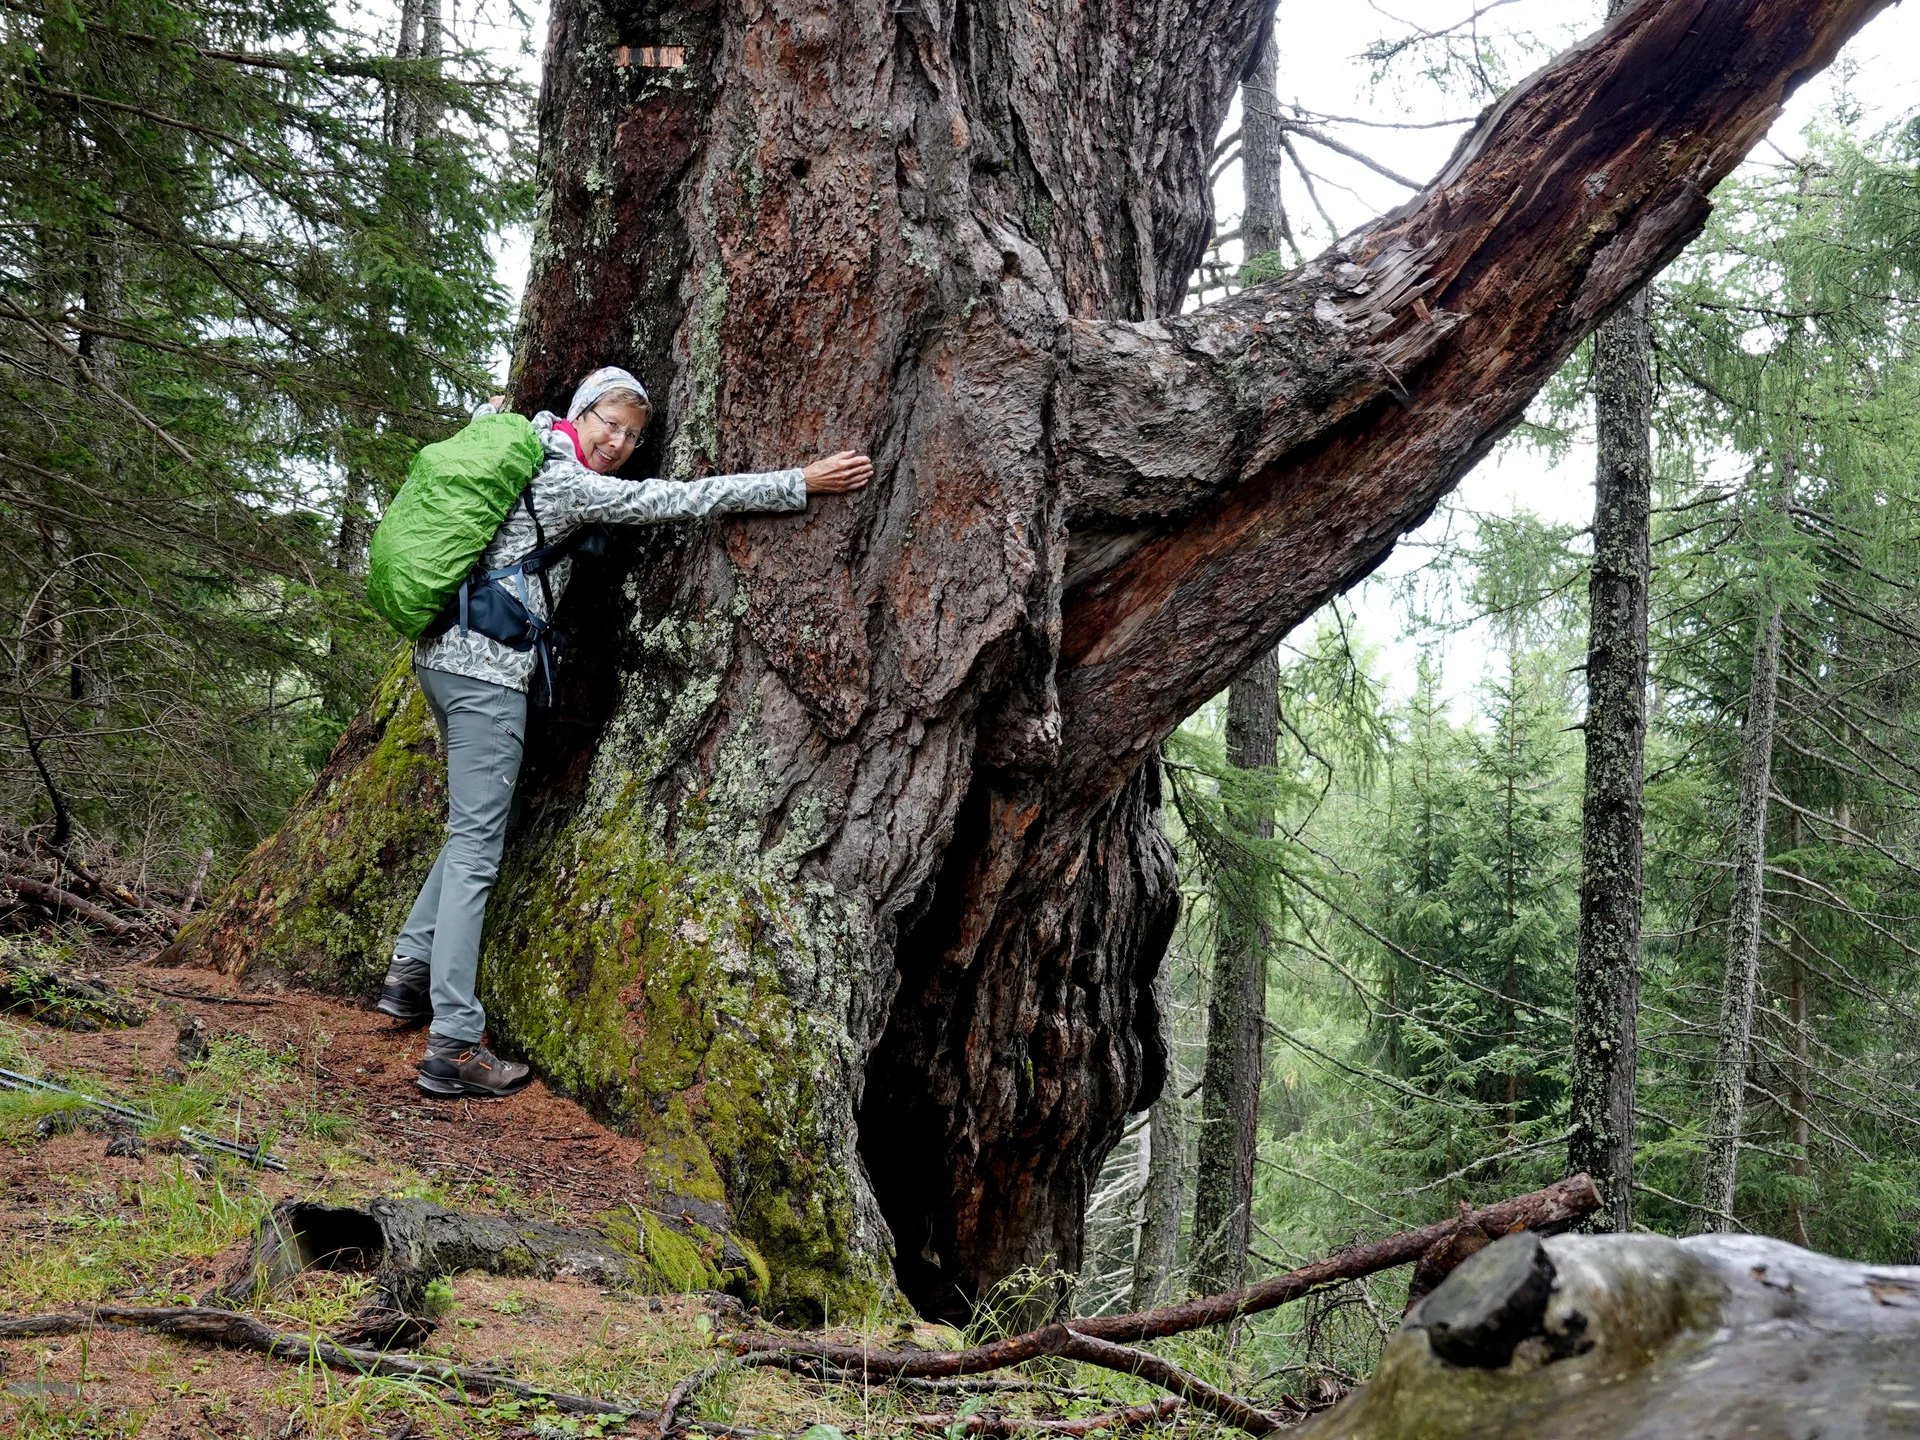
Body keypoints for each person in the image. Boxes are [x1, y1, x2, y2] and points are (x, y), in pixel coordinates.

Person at [377, 365, 872, 1098]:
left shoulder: (530, 442)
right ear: (582, 413)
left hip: (445, 660)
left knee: (478, 824)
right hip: (486, 675)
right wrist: (798, 482)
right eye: (608, 422)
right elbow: (678, 499)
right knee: (479, 852)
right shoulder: (568, 481)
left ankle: (409, 972)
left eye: (633, 435)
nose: (617, 442)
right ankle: (452, 1042)